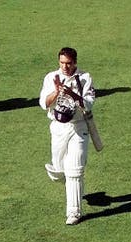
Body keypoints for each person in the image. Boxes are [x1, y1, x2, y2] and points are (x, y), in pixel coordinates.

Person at [39, 47, 96, 225]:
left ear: (75, 62)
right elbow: (43, 104)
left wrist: (72, 93)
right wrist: (56, 92)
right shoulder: (51, 77)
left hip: (79, 128)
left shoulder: (85, 78)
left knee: (75, 170)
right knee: (58, 169)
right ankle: (68, 181)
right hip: (58, 128)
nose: (65, 67)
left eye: (69, 63)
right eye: (62, 63)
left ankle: (74, 212)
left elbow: (88, 105)